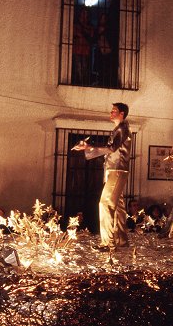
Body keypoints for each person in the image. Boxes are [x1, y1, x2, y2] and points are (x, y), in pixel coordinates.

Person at [73, 102, 131, 251]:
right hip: (116, 170)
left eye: (114, 111)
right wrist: (90, 148)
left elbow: (111, 148)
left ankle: (108, 243)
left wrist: (89, 147)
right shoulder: (120, 129)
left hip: (117, 170)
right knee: (118, 206)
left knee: (105, 204)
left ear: (122, 114)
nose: (111, 113)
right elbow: (111, 149)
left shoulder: (122, 128)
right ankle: (121, 240)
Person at [71, 7, 94, 86]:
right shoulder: (75, 25)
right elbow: (73, 35)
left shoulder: (89, 26)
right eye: (83, 13)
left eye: (86, 13)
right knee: (77, 67)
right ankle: (78, 82)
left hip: (85, 50)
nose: (84, 15)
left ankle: (84, 83)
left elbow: (90, 37)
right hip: (76, 49)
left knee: (84, 67)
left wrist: (81, 33)